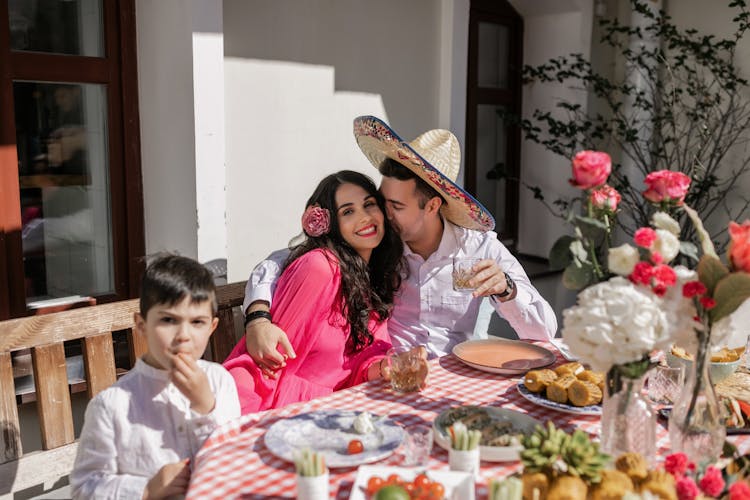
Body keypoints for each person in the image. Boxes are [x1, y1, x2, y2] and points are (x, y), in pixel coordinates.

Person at [244, 116, 558, 375]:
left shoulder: (477, 249)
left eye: (396, 205)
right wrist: (258, 316)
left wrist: (506, 290)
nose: (382, 214)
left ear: (432, 206)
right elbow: (283, 260)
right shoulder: (378, 242)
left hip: (455, 376)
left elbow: (544, 331)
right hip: (383, 373)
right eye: (383, 201)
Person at [223, 170, 426, 414]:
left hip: (335, 408)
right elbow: (268, 360)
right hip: (286, 409)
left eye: (369, 205)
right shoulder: (320, 268)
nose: (365, 218)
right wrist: (245, 422)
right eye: (348, 211)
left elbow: (360, 363)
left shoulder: (374, 276)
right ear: (331, 225)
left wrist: (387, 366)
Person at [71, 254, 241, 500]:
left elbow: (233, 461)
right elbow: (84, 488)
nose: (184, 335)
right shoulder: (111, 405)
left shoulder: (219, 381)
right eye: (168, 320)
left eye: (197, 322)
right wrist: (147, 489)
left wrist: (206, 406)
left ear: (212, 328)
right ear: (141, 325)